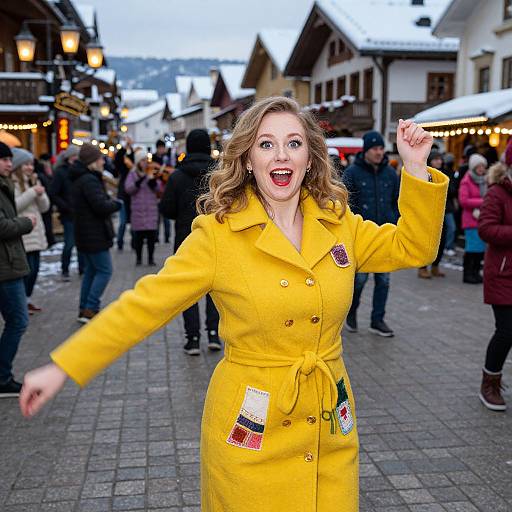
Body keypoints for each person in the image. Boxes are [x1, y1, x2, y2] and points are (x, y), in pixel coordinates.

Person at [20, 98, 447, 512]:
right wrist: (65, 366)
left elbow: (415, 247)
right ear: (246, 159)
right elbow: (144, 306)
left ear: (311, 159)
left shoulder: (339, 224)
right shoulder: (217, 237)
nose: (281, 154)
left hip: (328, 424)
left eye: (294, 143)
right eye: (266, 144)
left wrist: (413, 168)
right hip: (252, 428)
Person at [160, 129, 221, 354]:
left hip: (186, 237)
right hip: (217, 238)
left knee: (188, 291)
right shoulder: (220, 175)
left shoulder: (177, 175)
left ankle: (193, 338)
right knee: (216, 287)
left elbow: (166, 208)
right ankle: (214, 334)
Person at [342, 130, 400, 337]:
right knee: (359, 281)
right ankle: (351, 311)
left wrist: (395, 220)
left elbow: (396, 200)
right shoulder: (352, 173)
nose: (379, 152)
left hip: (386, 235)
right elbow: (344, 205)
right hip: (362, 237)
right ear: (366, 150)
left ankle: (377, 320)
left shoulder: (390, 173)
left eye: (381, 148)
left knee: (384, 281)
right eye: (375, 148)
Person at [70, 143, 121, 324]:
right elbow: (100, 206)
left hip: (86, 233)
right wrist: (116, 204)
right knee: (105, 271)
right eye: (100, 158)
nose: (102, 161)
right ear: (92, 161)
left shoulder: (82, 178)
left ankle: (84, 308)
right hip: (94, 234)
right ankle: (90, 308)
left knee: (92, 271)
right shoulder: (89, 180)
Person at [477, 144, 512, 411]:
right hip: (503, 273)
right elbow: (486, 229)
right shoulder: (497, 193)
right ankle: (489, 382)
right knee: (506, 331)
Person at [0, 142, 35, 397]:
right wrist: (26, 222)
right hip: (5, 265)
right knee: (18, 321)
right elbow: (2, 227)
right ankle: (2, 377)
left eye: (10, 160)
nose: (9, 164)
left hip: (8, 262)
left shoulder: (4, 185)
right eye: (4, 160)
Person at [11, 148, 50, 313]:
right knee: (27, 271)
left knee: (34, 271)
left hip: (36, 233)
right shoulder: (12, 183)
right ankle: (20, 303)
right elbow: (15, 206)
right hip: (23, 235)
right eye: (26, 164)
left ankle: (26, 300)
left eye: (31, 164)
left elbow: (45, 207)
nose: (30, 168)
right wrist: (32, 192)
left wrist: (40, 194)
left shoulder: (32, 181)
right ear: (18, 166)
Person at [50, 145, 85, 281]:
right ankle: (65, 269)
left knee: (82, 243)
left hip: (81, 213)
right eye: (75, 156)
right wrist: (65, 206)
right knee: (69, 243)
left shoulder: (80, 171)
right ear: (69, 157)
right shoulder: (60, 172)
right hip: (68, 214)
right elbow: (53, 193)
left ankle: (83, 268)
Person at [125, 150, 162, 266]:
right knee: (138, 238)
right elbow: (128, 189)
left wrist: (152, 182)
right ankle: (139, 258)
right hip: (138, 211)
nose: (145, 162)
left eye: (146, 160)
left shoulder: (151, 173)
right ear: (137, 162)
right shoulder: (132, 174)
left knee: (151, 237)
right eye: (142, 160)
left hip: (151, 210)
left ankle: (151, 259)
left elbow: (159, 190)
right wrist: (140, 180)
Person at [459, 153, 488, 284]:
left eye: (483, 166)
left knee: (480, 249)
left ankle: (476, 273)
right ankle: (467, 274)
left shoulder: (485, 180)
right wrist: (483, 202)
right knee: (472, 248)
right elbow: (463, 201)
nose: (482, 169)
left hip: (482, 219)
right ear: (473, 167)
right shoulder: (466, 180)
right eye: (479, 166)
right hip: (470, 220)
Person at [418, 151, 447, 278]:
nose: (438, 162)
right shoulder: (424, 174)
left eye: (440, 159)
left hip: (443, 211)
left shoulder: (444, 174)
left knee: (442, 239)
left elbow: (451, 190)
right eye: (435, 159)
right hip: (427, 212)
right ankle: (422, 267)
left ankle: (436, 265)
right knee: (426, 241)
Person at [113, 138, 134, 251]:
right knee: (123, 222)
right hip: (122, 196)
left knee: (132, 222)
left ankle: (134, 243)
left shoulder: (133, 168)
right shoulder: (122, 167)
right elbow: (117, 161)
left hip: (132, 196)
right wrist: (124, 148)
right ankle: (120, 242)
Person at [153, 139, 171, 244]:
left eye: (163, 148)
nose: (162, 150)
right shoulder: (153, 159)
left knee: (166, 217)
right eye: (160, 148)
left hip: (166, 190)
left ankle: (167, 236)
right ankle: (156, 236)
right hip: (156, 191)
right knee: (157, 217)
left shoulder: (167, 158)